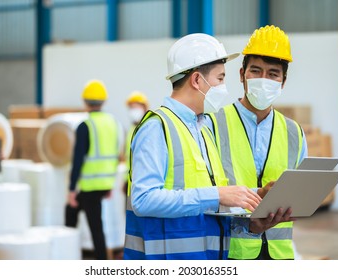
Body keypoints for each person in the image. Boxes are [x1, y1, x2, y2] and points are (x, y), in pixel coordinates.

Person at [124, 33, 293, 260]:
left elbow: (211, 201)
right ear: (196, 80)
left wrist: (252, 199)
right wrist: (217, 195)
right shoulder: (157, 127)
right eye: (220, 78)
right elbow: (143, 200)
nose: (224, 87)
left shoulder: (202, 130)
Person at [206, 25, 308, 260]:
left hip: (279, 254)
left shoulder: (294, 132)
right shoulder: (212, 124)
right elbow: (206, 191)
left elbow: (300, 194)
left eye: (273, 74)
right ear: (242, 74)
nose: (264, 80)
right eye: (255, 71)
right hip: (230, 252)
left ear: (283, 81)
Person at [65, 80, 123, 260]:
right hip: (104, 184)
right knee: (72, 213)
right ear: (103, 102)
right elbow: (115, 154)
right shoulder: (113, 122)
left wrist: (72, 189)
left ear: (85, 102)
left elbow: (77, 160)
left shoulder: (85, 125)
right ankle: (71, 251)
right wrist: (110, 184)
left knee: (94, 227)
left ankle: (95, 262)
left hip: (89, 187)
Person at [121, 91, 149, 195]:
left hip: (142, 183)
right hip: (131, 181)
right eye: (131, 108)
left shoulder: (147, 128)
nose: (133, 111)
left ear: (144, 108)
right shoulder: (131, 129)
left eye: (136, 107)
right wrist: (126, 180)